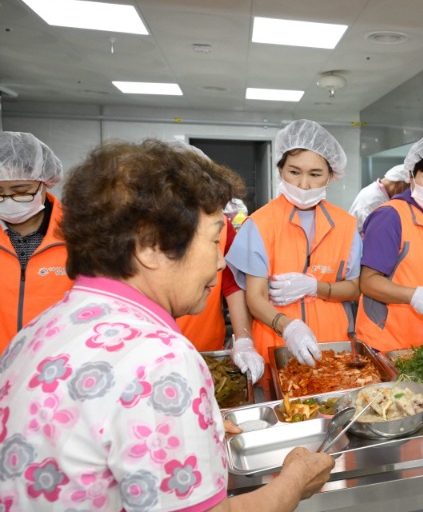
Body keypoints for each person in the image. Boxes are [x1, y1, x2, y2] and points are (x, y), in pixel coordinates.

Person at [0, 139, 334, 511]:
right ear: (150, 247)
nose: (221, 264)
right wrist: (296, 480)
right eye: (212, 241)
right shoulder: (159, 360)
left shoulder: (41, 327)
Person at [226, 119, 361, 371]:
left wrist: (316, 287)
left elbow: (353, 289)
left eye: (315, 174)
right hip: (277, 345)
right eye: (294, 172)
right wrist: (288, 327)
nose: (303, 184)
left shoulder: (346, 225)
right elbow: (254, 297)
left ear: (331, 176)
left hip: (333, 346)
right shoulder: (260, 224)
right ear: (280, 169)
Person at [356, 136, 423, 351]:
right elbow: (368, 282)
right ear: (411, 176)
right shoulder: (390, 216)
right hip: (389, 341)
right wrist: (413, 295)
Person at [171, 143, 264, 381]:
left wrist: (243, 338)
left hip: (206, 350)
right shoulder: (148, 232)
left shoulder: (221, 226)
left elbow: (231, 285)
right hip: (159, 350)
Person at [0, 131, 72, 352]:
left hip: (56, 368)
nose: (9, 200)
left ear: (45, 183)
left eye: (21, 191)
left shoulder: (80, 235)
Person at [348, 164, 409, 234]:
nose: (407, 192)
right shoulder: (373, 198)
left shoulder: (380, 194)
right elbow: (377, 231)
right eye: (407, 188)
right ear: (399, 183)